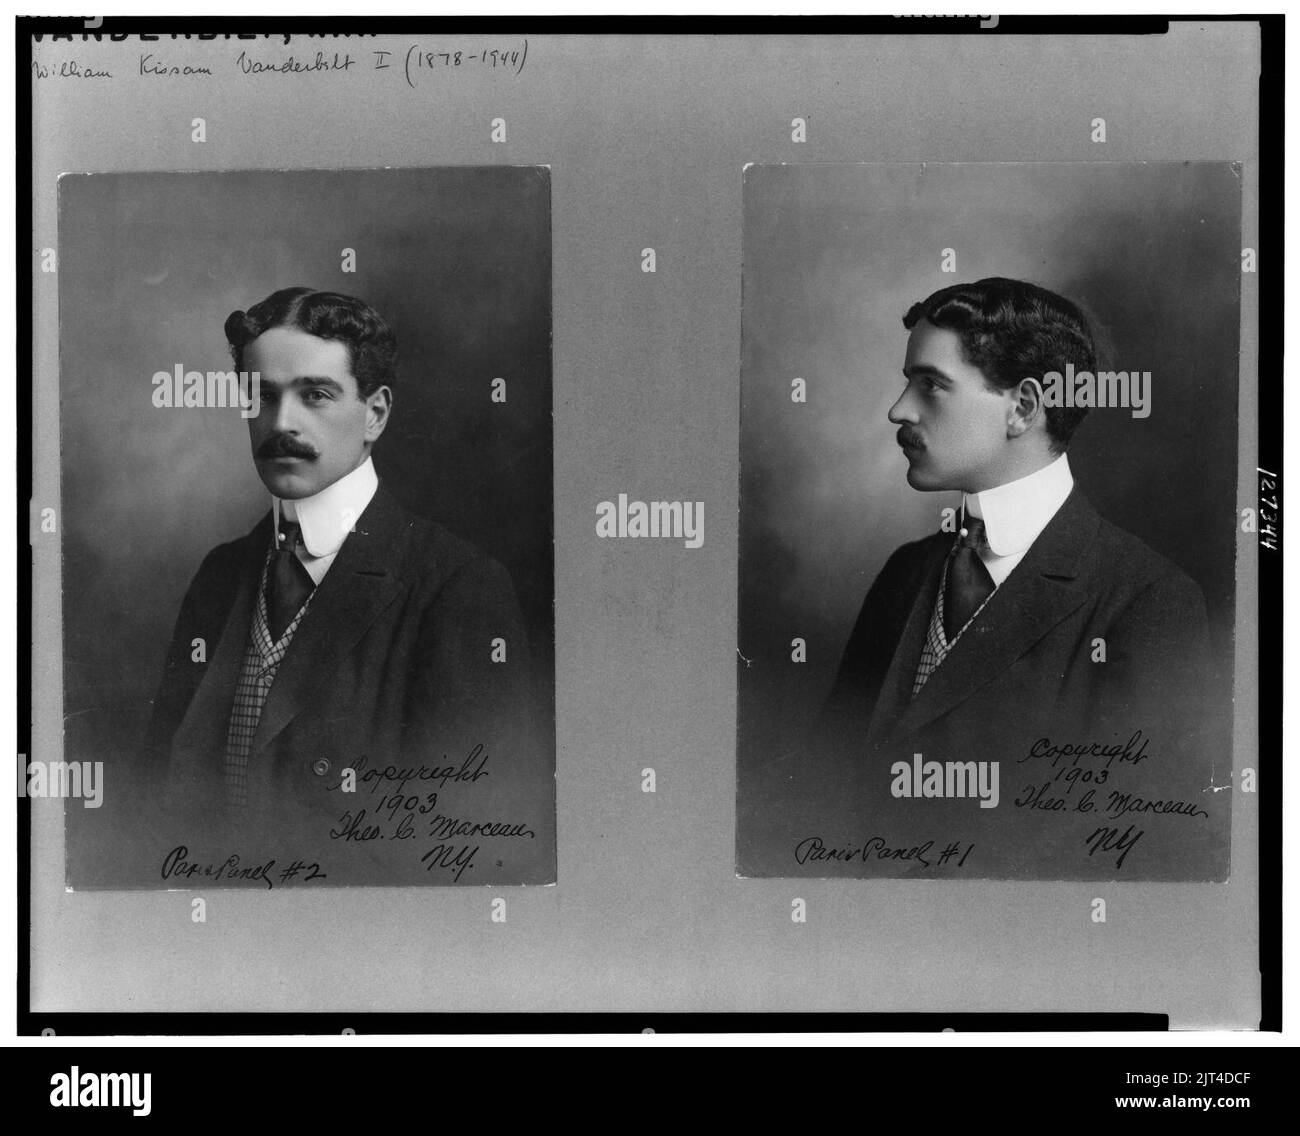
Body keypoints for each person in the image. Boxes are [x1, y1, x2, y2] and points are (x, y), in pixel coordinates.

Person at [815, 278, 1226, 879]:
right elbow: (825, 776)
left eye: (931, 384)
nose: (900, 409)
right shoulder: (906, 572)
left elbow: (1145, 850)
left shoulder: (1148, 602)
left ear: (1024, 408)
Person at [140, 288, 542, 885]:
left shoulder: (457, 589)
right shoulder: (219, 576)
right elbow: (154, 806)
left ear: (375, 414)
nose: (282, 424)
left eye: (316, 395)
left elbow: (467, 849)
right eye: (263, 396)